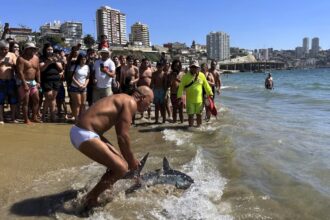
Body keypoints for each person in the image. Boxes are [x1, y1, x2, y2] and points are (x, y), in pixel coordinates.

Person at [70, 86, 154, 211]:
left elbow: (121, 137)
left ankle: (105, 190)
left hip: (85, 132)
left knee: (120, 165)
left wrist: (130, 162)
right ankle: (90, 199)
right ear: (142, 97)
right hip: (84, 133)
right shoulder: (130, 102)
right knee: (122, 168)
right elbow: (122, 137)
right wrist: (133, 163)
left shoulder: (123, 99)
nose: (150, 106)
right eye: (150, 102)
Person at [177, 60, 213, 127]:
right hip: (190, 101)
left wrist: (210, 94)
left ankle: (199, 128)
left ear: (198, 68)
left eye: (195, 67)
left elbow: (206, 85)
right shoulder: (185, 77)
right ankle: (190, 128)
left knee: (199, 115)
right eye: (192, 67)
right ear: (190, 67)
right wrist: (179, 97)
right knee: (191, 116)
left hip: (199, 101)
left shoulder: (202, 75)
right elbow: (181, 87)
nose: (194, 69)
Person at [16, 42, 41, 124]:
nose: (32, 50)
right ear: (26, 49)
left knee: (37, 100)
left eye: (33, 49)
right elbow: (20, 72)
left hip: (33, 82)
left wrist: (38, 81)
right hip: (24, 81)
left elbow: (37, 70)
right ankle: (26, 119)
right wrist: (24, 84)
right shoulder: (21, 58)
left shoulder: (36, 58)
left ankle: (34, 116)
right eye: (30, 49)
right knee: (25, 101)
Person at [39, 43, 63, 122]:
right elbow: (41, 69)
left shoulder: (56, 57)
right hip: (46, 79)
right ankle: (46, 115)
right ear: (45, 50)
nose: (50, 51)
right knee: (49, 97)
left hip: (56, 79)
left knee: (52, 98)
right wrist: (48, 62)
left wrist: (55, 62)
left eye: (51, 49)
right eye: (48, 49)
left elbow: (60, 69)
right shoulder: (42, 58)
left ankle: (51, 115)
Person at [0, 40, 18, 123]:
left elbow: (17, 67)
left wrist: (12, 64)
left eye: (6, 49)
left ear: (8, 48)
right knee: (0, 100)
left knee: (13, 100)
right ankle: (1, 118)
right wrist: (1, 63)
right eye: (2, 49)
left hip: (11, 80)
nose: (4, 51)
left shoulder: (12, 55)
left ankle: (13, 118)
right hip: (1, 80)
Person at [68, 54, 90, 122]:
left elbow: (87, 77)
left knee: (83, 104)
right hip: (74, 87)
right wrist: (79, 84)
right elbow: (72, 77)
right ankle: (76, 119)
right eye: (82, 59)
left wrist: (85, 85)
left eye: (85, 59)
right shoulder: (74, 67)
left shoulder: (87, 67)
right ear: (79, 59)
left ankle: (82, 118)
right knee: (78, 103)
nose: (84, 61)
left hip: (84, 87)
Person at [169, 59, 184, 123]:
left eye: (178, 66)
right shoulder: (170, 74)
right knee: (174, 109)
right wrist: (172, 79)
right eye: (175, 66)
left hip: (181, 94)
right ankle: (174, 122)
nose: (176, 67)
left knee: (181, 110)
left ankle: (182, 123)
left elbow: (184, 84)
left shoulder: (182, 74)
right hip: (173, 93)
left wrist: (177, 79)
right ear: (173, 66)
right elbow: (169, 84)